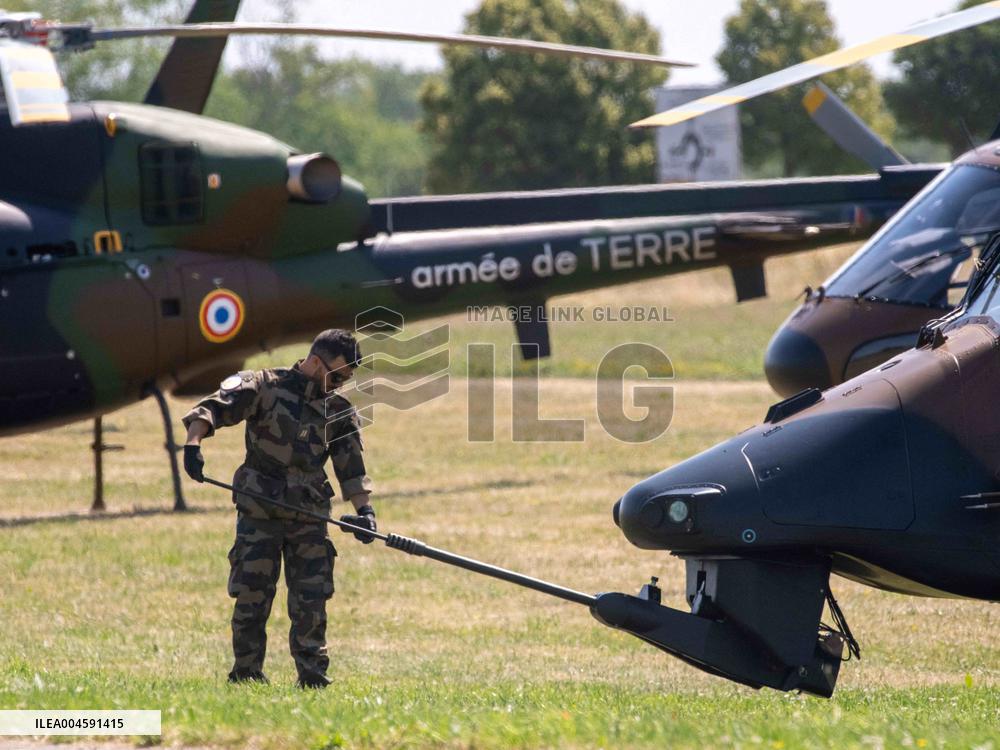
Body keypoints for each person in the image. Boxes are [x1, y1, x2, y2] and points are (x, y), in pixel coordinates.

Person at [180, 329, 375, 688]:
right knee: (251, 598)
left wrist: (366, 513)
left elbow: (352, 469)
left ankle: (313, 677)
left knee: (312, 601)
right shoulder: (264, 386)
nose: (340, 385)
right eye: (336, 376)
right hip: (260, 514)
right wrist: (193, 445)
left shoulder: (338, 411)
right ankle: (246, 674)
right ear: (314, 362)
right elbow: (212, 408)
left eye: (346, 379)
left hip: (309, 518)